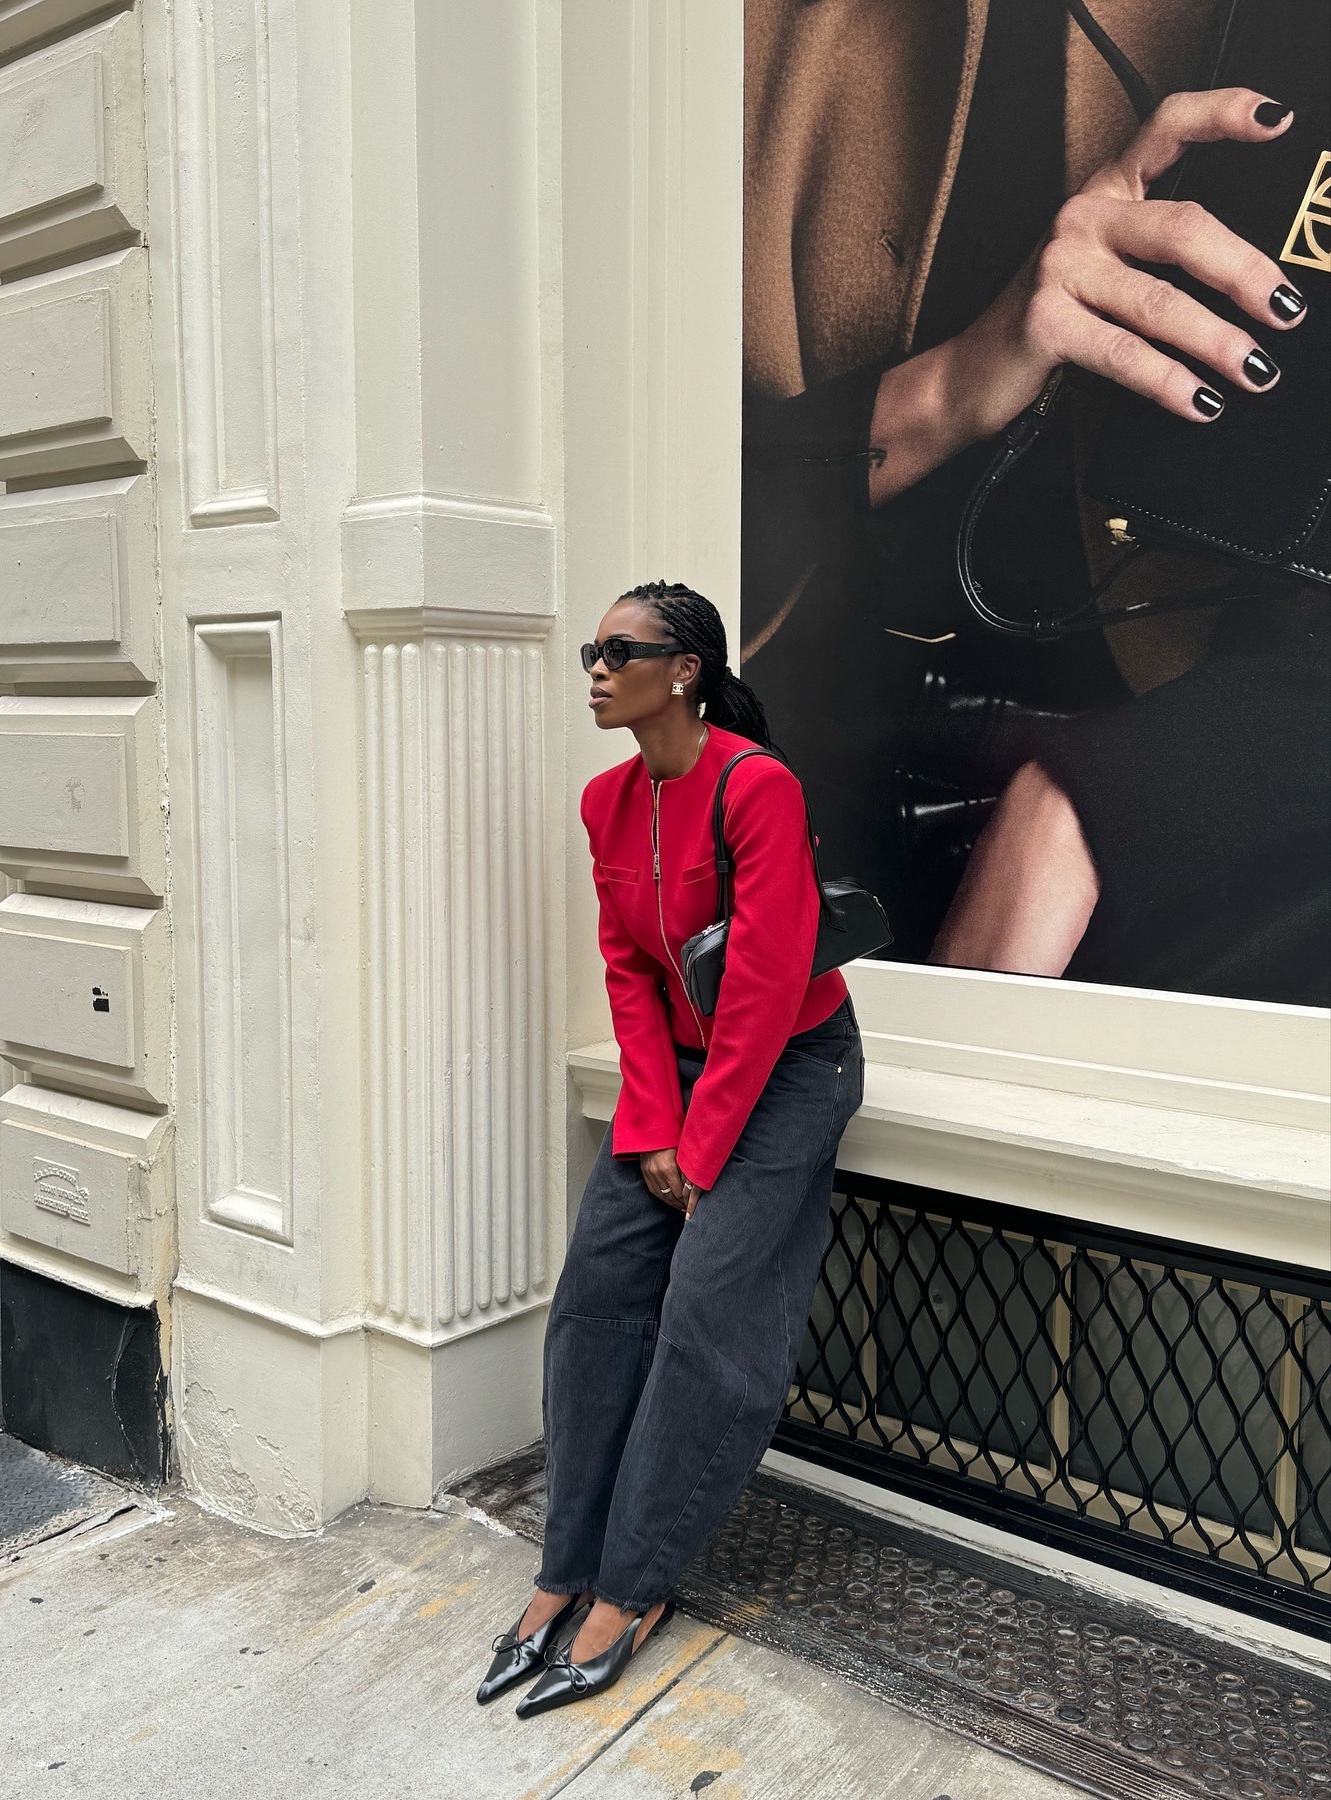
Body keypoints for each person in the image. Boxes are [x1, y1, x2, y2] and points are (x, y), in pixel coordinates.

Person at [741, 0, 1327, 1004]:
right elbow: (601, 548)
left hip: (1177, 904)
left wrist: (1100, 798)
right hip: (747, 829)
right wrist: (943, 392)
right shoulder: (733, 45)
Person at [476, 581, 863, 1716]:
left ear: (685, 669)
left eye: (619, 651)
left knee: (706, 1314)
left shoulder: (756, 785)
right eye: (590, 653)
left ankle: (632, 1588)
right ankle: (564, 1570)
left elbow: (766, 984)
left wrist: (702, 1147)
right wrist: (653, 1124)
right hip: (680, 1077)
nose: (596, 670)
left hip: (789, 1067)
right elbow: (630, 970)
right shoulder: (606, 800)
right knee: (594, 1297)